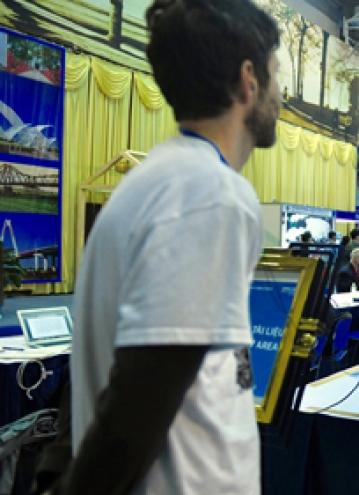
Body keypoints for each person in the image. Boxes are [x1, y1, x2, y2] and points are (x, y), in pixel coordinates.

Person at [53, 2, 281, 494]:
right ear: (249, 80)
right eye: (276, 73)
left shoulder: (152, 183)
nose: (279, 93)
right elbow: (138, 403)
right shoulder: (212, 194)